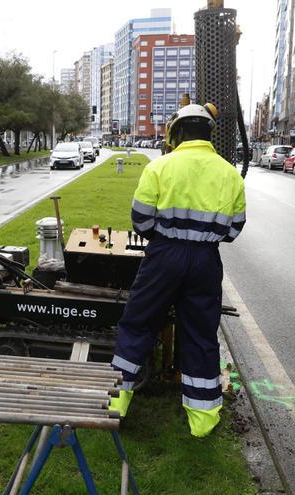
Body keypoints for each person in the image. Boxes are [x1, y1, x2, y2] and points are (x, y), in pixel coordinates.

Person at [110, 103, 246, 438]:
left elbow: (141, 220)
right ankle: (203, 420)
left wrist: (167, 237)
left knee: (138, 323)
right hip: (205, 259)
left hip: (164, 254)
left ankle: (116, 403)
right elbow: (234, 230)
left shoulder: (161, 167)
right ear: (208, 133)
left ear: (178, 132)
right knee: (200, 334)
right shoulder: (229, 173)